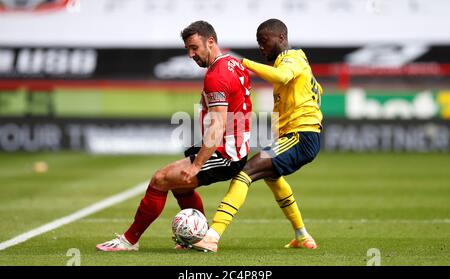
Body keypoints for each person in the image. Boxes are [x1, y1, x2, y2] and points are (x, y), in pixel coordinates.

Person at [96, 20, 252, 251]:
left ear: (210, 42)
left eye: (194, 47)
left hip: (226, 153)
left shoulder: (216, 76)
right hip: (235, 147)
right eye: (188, 49)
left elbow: (218, 126)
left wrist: (197, 164)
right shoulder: (232, 63)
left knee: (160, 179)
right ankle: (198, 238)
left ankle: (129, 240)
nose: (191, 54)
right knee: (180, 187)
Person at [192, 18, 323, 252]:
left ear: (281, 38)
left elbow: (282, 77)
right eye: (258, 43)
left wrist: (244, 62)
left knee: (245, 173)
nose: (261, 47)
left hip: (301, 136)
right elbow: (315, 90)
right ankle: (302, 236)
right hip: (298, 134)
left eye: (264, 41)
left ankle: (212, 236)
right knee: (272, 177)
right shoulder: (297, 61)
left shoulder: (291, 58)